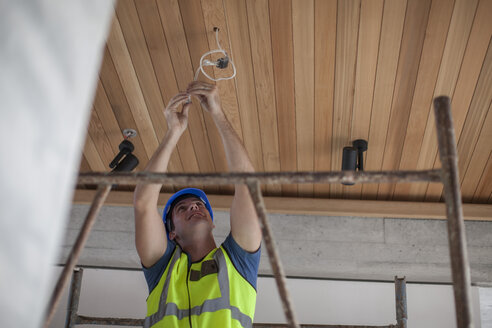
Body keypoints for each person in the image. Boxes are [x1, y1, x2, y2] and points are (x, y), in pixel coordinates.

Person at [133, 81, 262, 328]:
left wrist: (218, 113)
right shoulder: (163, 270)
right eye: (182, 209)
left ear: (213, 223)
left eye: (199, 205)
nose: (194, 206)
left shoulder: (238, 263)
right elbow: (143, 202)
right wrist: (173, 132)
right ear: (171, 233)